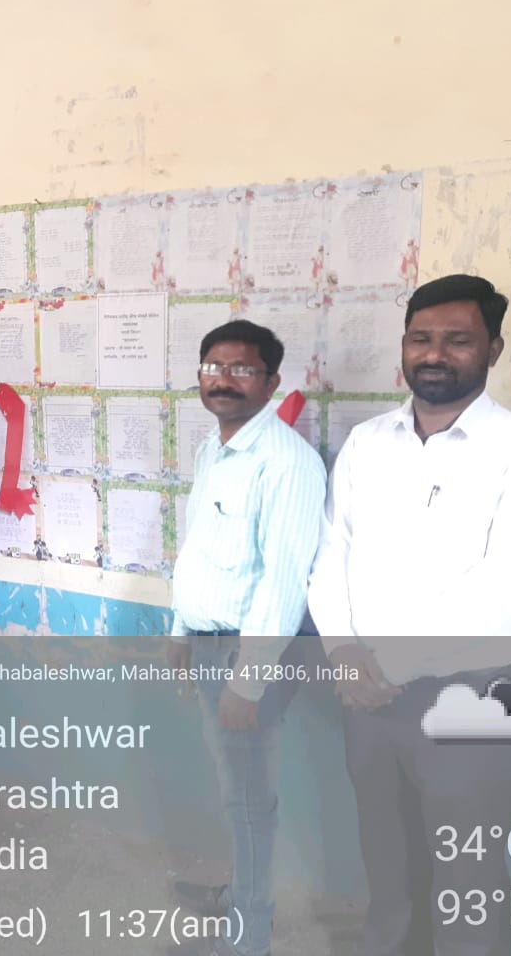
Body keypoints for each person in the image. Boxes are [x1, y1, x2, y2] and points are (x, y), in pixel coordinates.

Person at [308, 274, 511, 956]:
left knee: (467, 879)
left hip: (470, 702)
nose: (435, 354)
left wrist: (384, 667)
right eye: (421, 338)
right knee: (389, 869)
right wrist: (341, 652)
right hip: (366, 697)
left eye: (458, 340)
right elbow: (332, 553)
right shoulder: (367, 444)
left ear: (494, 349)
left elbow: (505, 595)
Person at [164, 320, 327, 956]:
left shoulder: (287, 463)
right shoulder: (214, 448)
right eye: (213, 367)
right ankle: (239, 895)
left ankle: (248, 934)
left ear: (271, 381)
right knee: (235, 791)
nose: (223, 380)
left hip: (246, 656)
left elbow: (284, 581)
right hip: (210, 644)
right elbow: (199, 549)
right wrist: (180, 629)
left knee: (249, 801)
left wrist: (248, 681)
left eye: (242, 369)